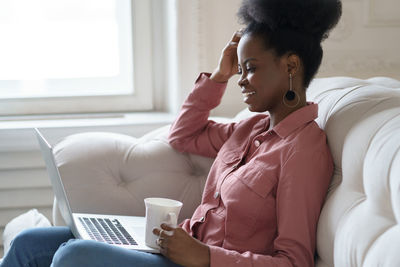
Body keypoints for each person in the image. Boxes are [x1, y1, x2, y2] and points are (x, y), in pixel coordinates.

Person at [1, 0, 342, 266]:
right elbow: (184, 135)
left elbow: (294, 262)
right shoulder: (251, 129)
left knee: (73, 257)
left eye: (249, 69)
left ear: (291, 66)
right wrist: (220, 75)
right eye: (240, 69)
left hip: (199, 264)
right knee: (29, 242)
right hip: (172, 249)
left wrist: (205, 257)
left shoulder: (303, 151)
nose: (241, 79)